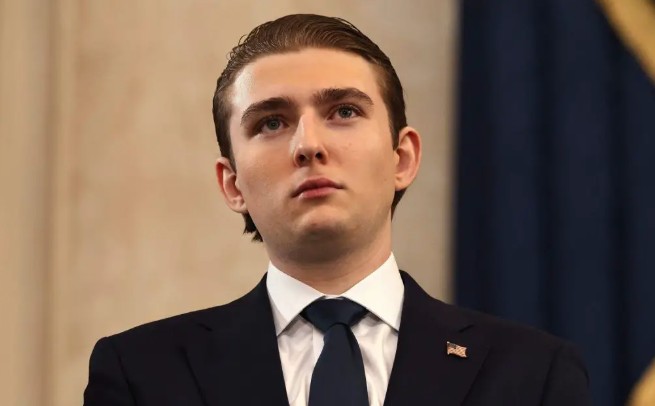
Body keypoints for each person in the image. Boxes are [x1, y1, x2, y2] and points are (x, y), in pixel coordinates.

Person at [83, 14, 590, 405]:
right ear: (232, 184)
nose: (309, 144)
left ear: (402, 158)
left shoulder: (534, 374)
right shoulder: (140, 374)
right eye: (271, 122)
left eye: (344, 111)